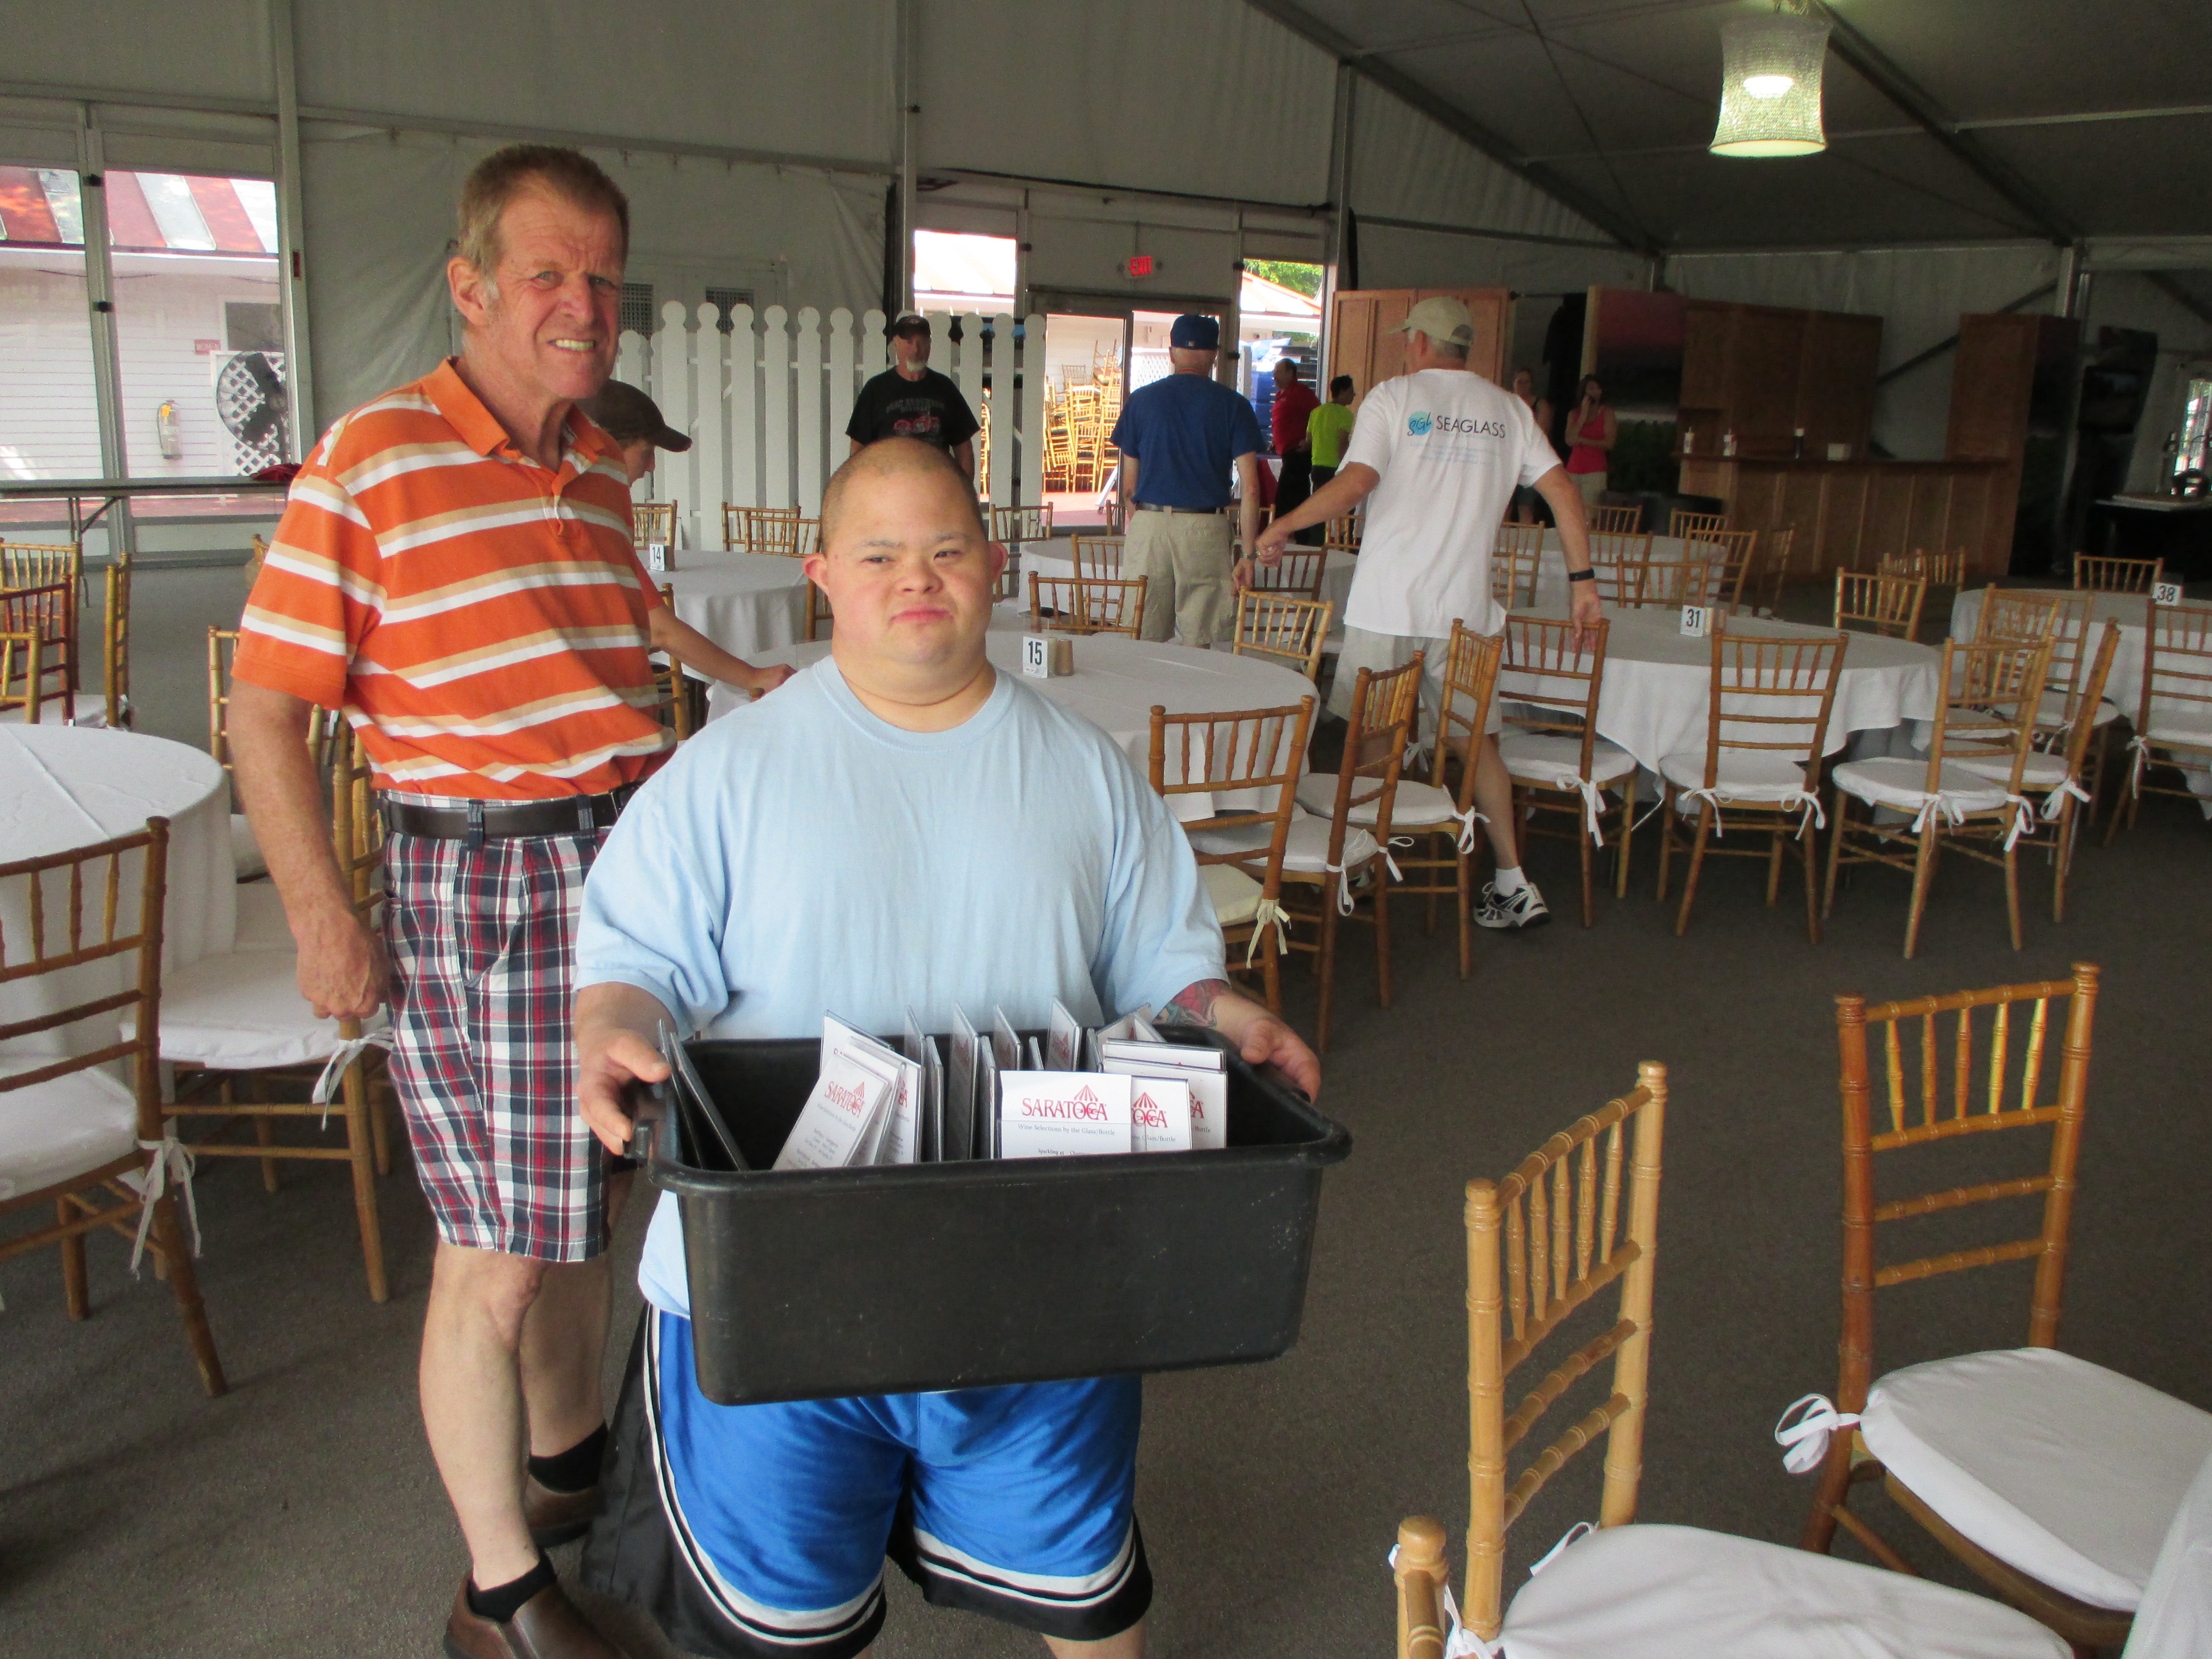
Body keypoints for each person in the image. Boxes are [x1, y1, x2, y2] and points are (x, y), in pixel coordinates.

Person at [569, 437, 1319, 1659]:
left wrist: (1229, 1015)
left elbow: (1163, 968)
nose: (916, 579)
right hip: (778, 1283)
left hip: (1039, 1263)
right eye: (878, 556)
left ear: (996, 564)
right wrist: (611, 1027)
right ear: (821, 574)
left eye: (946, 550)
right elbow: (637, 962)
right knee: (773, 1622)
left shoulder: (1086, 769)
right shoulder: (726, 771)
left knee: (1085, 1581)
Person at [227, 144, 787, 1659]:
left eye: (603, 276)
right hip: (481, 886)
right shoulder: (374, 455)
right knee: (495, 1255)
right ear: (471, 287)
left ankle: (568, 1478)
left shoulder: (598, 469)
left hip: (622, 873)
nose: (583, 305)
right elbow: (263, 710)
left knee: (583, 1215)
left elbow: (606, 679)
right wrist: (323, 916)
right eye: (547, 274)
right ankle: (499, 1596)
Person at [1255, 296, 1603, 933]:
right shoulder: (1509, 409)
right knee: (1476, 745)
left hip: (1389, 603)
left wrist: (1283, 524)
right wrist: (1583, 583)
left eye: (1406, 338)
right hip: (1466, 611)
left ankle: (1361, 867)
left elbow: (1356, 483)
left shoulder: (1394, 397)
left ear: (1418, 341)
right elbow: (1563, 491)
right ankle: (1513, 880)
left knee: (1373, 737)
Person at [580, 378, 800, 696]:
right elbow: (660, 629)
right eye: (646, 452)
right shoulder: (591, 517)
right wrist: (752, 676)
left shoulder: (587, 509)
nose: (652, 466)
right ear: (603, 448)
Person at [1110, 314, 1263, 647]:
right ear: (1215, 355)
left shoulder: (1141, 401)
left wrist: (1143, 523)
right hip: (1205, 527)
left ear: (1171, 353)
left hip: (1149, 522)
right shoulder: (1234, 406)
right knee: (1201, 640)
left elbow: (1129, 487)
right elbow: (1251, 487)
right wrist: (1249, 555)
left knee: (1142, 635)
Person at [844, 313, 980, 478]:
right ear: (896, 343)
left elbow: (964, 448)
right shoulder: (876, 389)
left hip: (934, 485)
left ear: (930, 345)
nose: (916, 350)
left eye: (922, 342)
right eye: (909, 342)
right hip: (889, 486)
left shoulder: (945, 388)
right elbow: (858, 449)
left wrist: (964, 490)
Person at [1268, 357, 1321, 527]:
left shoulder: (1301, 392)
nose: (1274, 376)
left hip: (1299, 453)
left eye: (1278, 372)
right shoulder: (1281, 395)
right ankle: (1302, 534)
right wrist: (1276, 441)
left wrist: (1310, 440)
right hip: (1287, 452)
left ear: (1291, 373)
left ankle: (1279, 532)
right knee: (1298, 495)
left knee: (1286, 496)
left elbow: (1318, 416)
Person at [1507, 368, 1553, 526]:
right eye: (1519, 381)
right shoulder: (1507, 402)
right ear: (1514, 383)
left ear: (1532, 384)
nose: (1523, 385)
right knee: (1504, 507)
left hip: (1529, 461)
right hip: (1509, 462)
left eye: (1526, 382)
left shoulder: (1540, 405)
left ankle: (1526, 541)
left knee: (1526, 507)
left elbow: (1541, 433)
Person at [1563, 374, 1615, 507]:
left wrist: (1583, 441)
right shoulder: (1574, 414)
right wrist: (1583, 416)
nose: (1595, 392)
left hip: (1595, 470)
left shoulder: (1607, 413)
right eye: (1591, 388)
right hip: (1574, 469)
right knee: (1571, 509)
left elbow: (1609, 443)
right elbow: (1569, 440)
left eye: (1598, 389)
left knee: (1590, 511)